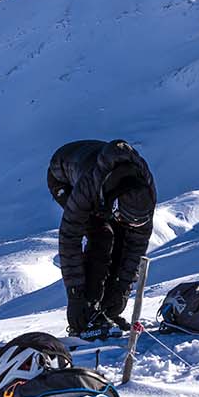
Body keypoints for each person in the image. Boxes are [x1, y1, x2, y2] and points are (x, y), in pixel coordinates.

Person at [47, 139, 156, 337]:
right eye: (124, 219)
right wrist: (76, 296)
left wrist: (122, 288)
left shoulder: (145, 191)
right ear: (114, 208)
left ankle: (104, 311)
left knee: (124, 238)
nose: (132, 226)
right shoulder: (88, 188)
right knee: (102, 236)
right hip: (63, 176)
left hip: (106, 187)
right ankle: (87, 315)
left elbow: (136, 246)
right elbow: (69, 239)